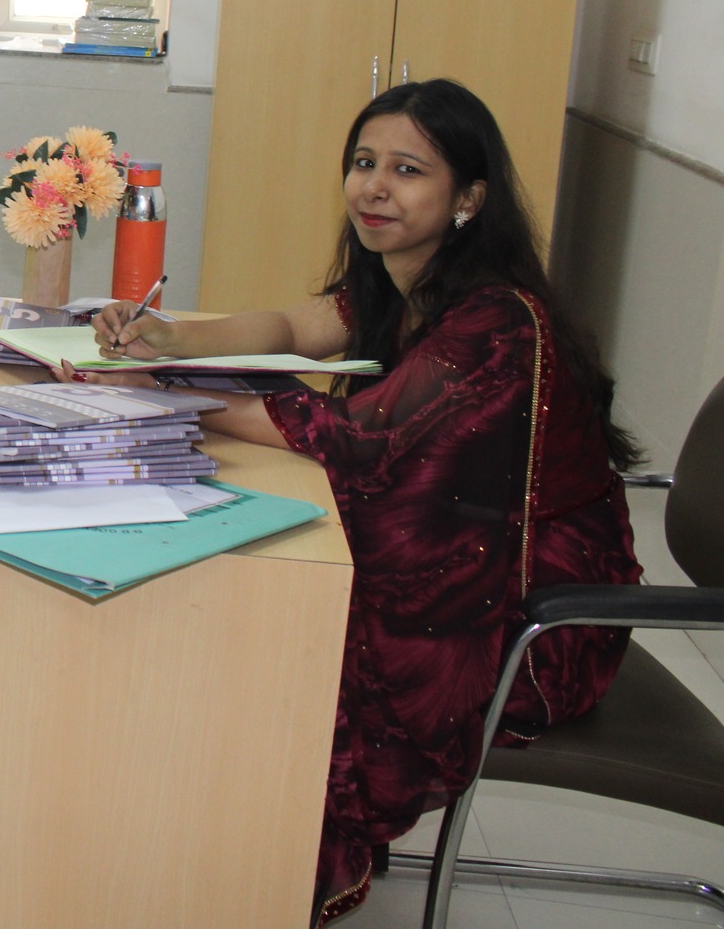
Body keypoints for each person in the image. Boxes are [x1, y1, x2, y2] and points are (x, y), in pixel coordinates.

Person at [79, 79, 641, 923]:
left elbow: (360, 440)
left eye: (408, 170)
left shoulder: (497, 319)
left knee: (289, 634)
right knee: (267, 607)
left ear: (468, 197)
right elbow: (294, 329)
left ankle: (255, 867)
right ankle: (218, 835)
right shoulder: (401, 277)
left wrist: (165, 392)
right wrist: (170, 338)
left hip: (539, 613)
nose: (375, 187)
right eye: (364, 162)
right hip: (485, 566)